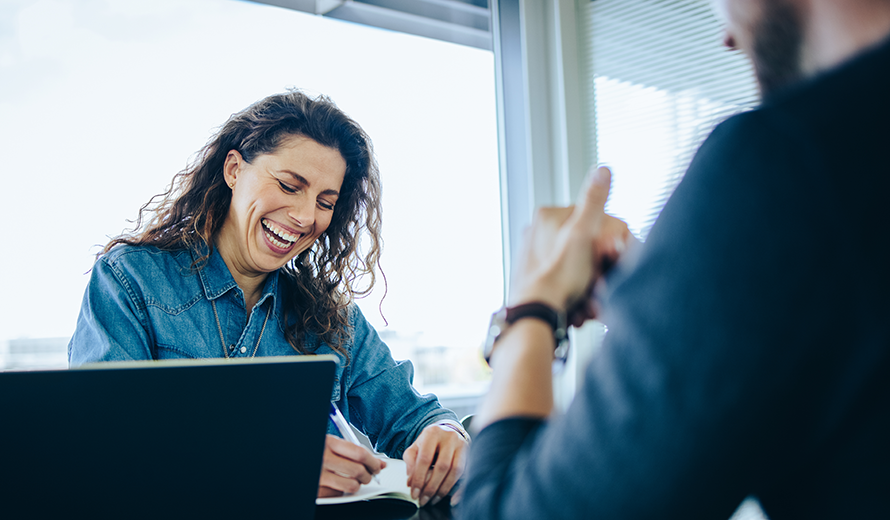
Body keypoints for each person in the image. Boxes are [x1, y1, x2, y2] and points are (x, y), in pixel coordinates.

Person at [459, 0, 890, 518]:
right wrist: (677, 299)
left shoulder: (783, 161)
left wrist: (530, 310)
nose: (725, 37)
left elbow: (508, 511)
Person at [68, 90, 468, 505]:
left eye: (325, 202)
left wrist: (444, 435)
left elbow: (414, 416)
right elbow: (104, 443)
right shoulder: (131, 279)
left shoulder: (331, 318)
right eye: (289, 185)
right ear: (234, 169)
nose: (305, 217)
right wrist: (276, 462)